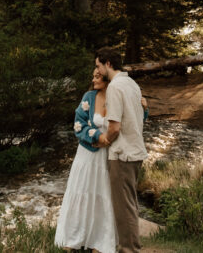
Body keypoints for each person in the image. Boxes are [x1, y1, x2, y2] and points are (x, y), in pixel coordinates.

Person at [54, 69, 118, 253]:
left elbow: (131, 120)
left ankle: (98, 241)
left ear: (107, 78)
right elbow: (78, 125)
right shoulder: (89, 97)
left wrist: (144, 109)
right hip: (86, 155)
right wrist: (98, 136)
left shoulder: (117, 96)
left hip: (106, 158)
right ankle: (73, 239)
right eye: (93, 76)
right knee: (81, 193)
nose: (93, 79)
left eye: (97, 76)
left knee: (102, 195)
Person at [95, 46, 147, 253]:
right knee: (130, 204)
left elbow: (114, 126)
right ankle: (131, 245)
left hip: (122, 154)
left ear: (108, 63)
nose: (97, 71)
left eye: (99, 66)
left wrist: (104, 140)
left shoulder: (116, 87)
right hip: (135, 151)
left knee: (123, 207)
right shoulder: (132, 84)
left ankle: (129, 249)